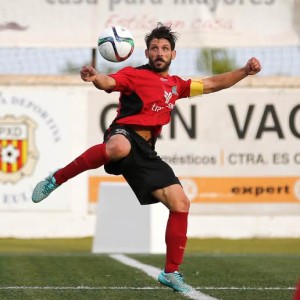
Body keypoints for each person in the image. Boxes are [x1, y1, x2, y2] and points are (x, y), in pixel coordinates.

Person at [32, 23, 261, 293]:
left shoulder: (176, 86)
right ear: (146, 53)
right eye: (154, 48)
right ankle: (56, 179)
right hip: (124, 133)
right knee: (118, 147)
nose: (159, 52)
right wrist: (96, 77)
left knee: (180, 202)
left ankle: (171, 272)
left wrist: (245, 71)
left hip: (147, 151)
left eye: (165, 48)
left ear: (173, 55)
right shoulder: (134, 74)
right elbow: (109, 82)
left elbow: (211, 85)